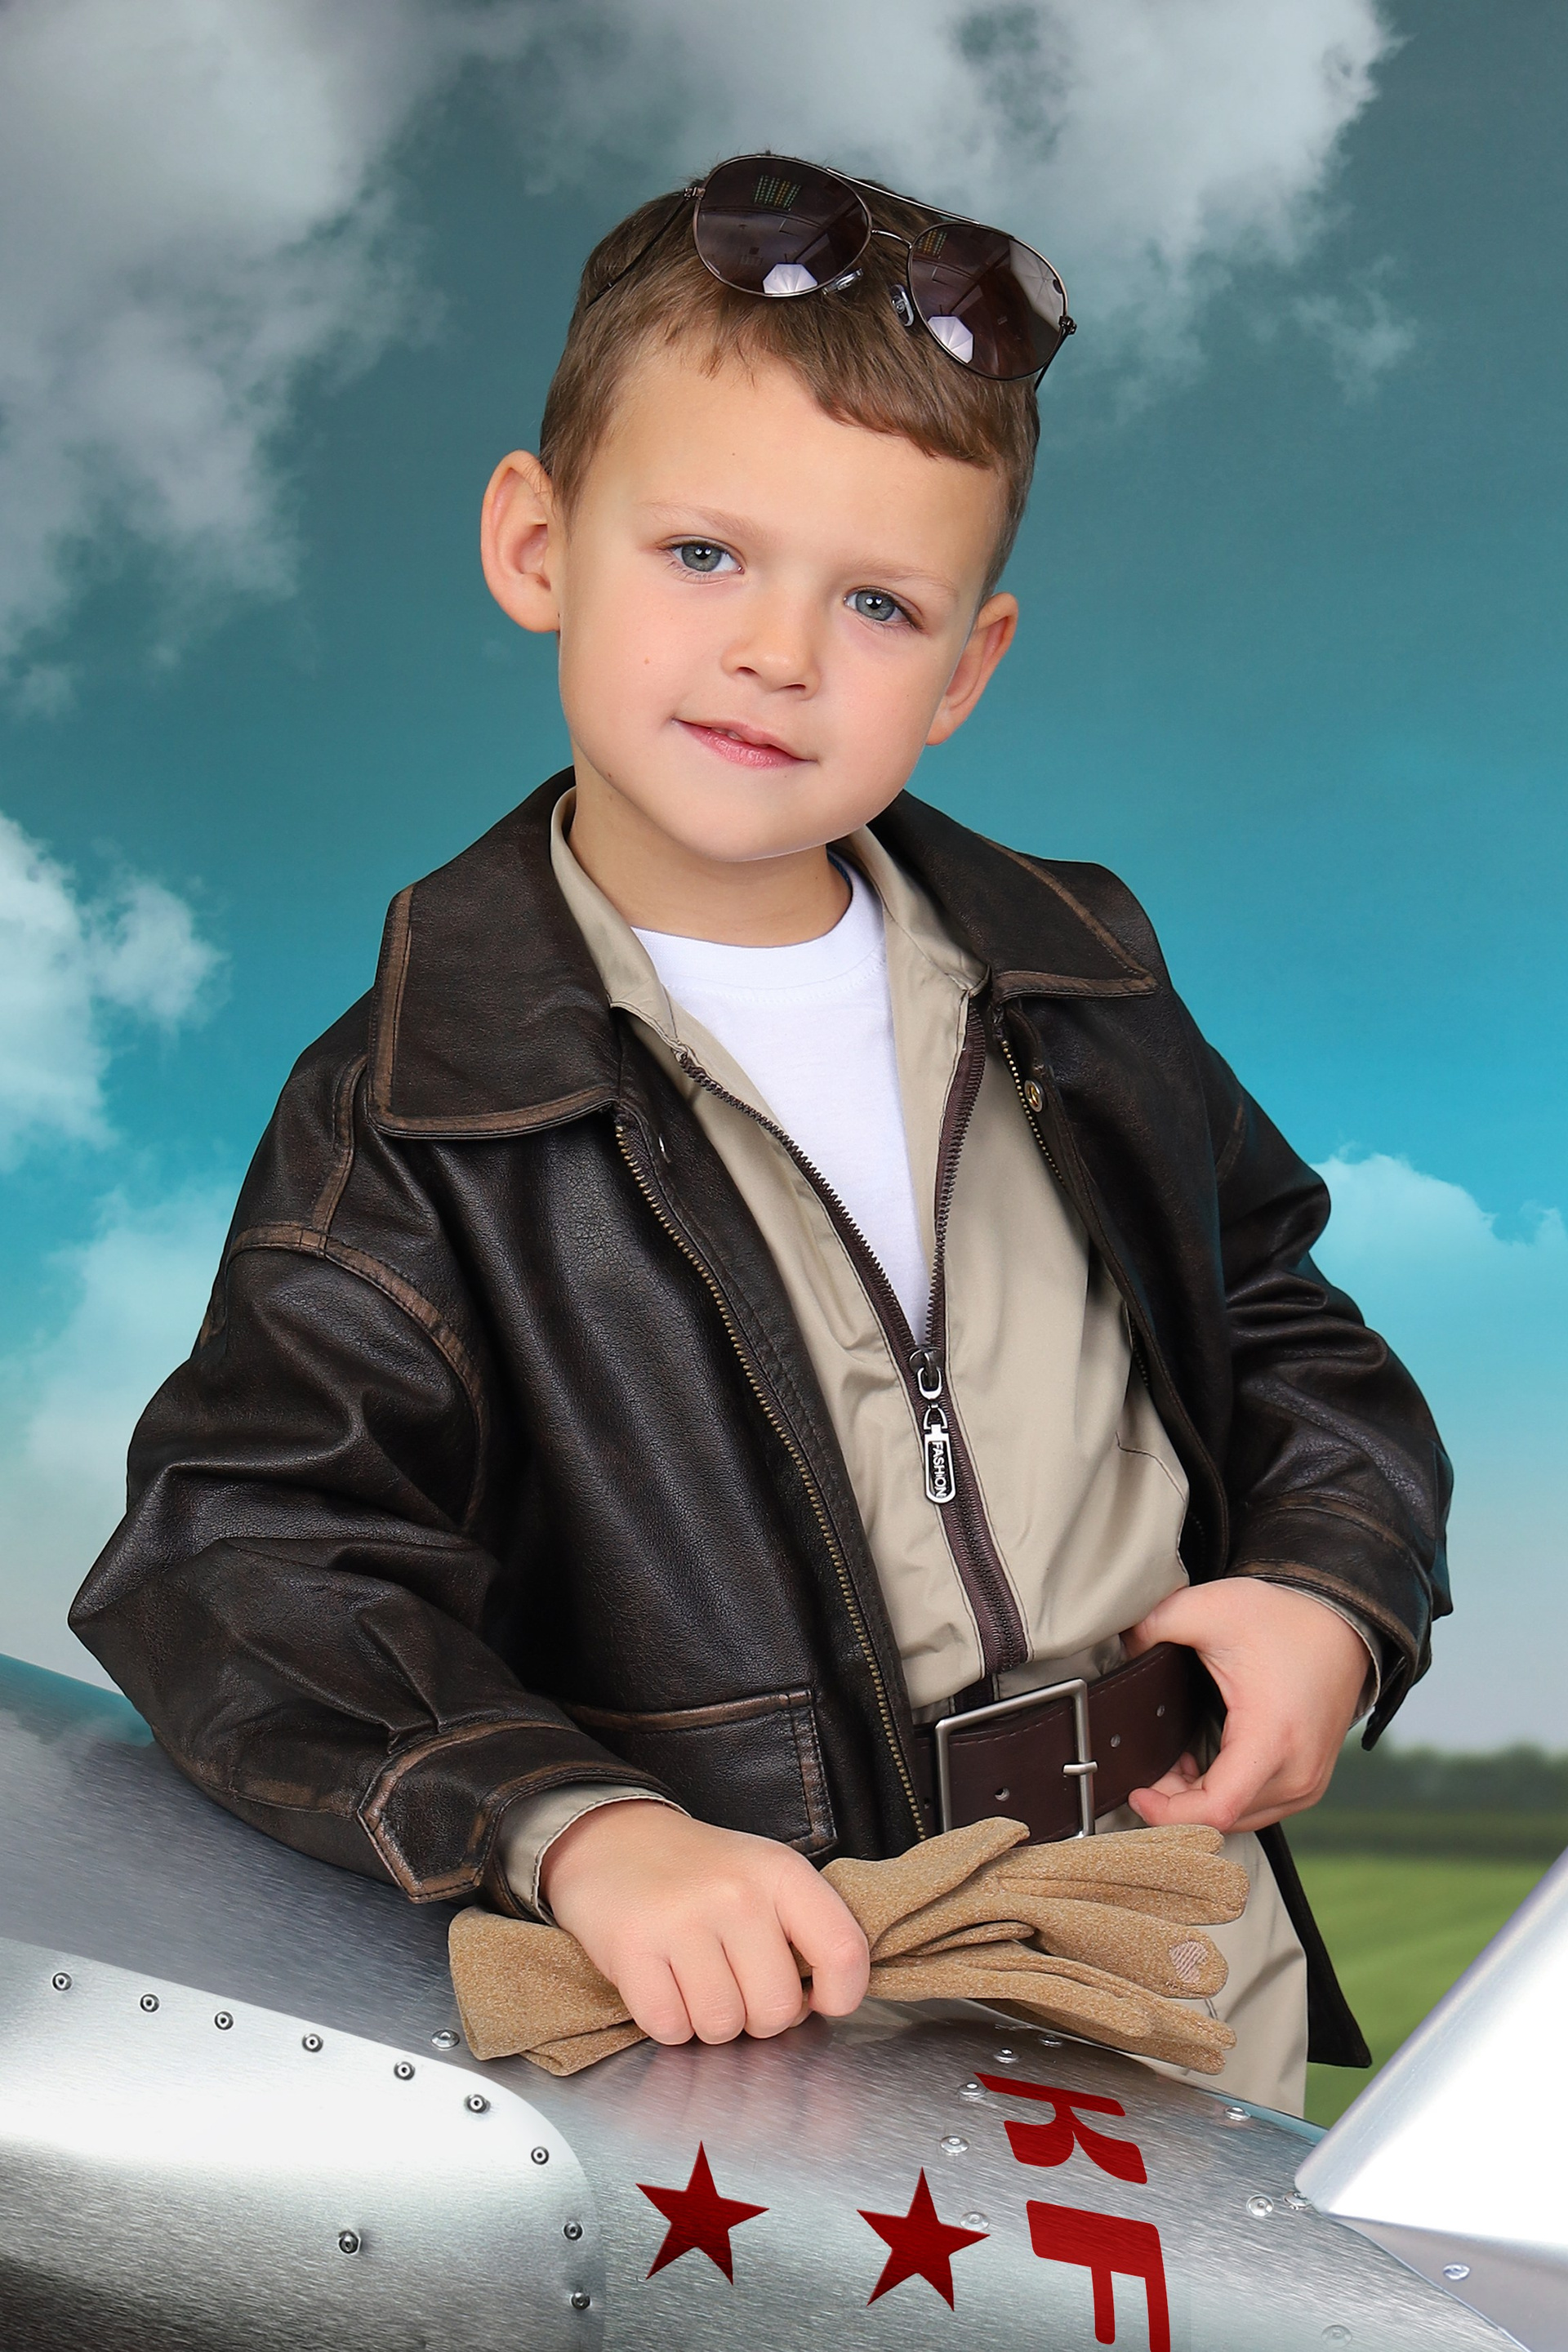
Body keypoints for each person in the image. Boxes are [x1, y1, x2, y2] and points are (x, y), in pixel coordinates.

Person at [69, 157, 1450, 2116]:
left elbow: (1286, 1326)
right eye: (706, 554)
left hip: (1181, 1935)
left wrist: (1333, 1586)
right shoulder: (418, 1099)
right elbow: (244, 1556)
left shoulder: (1082, 977)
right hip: (783, 2005)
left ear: (967, 668)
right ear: (537, 544)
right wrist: (571, 1825)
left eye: (876, 602)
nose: (780, 653)